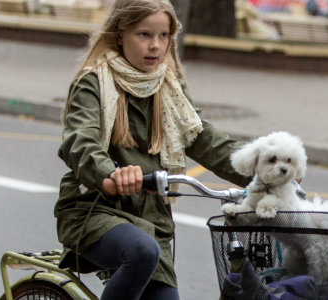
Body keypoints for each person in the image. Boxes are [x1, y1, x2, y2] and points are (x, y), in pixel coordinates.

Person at [53, 0, 252, 299]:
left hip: (151, 220)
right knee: (143, 252)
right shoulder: (93, 82)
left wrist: (264, 170)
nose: (155, 46)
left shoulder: (169, 88)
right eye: (144, 35)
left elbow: (203, 138)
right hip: (94, 210)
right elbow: (81, 141)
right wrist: (110, 175)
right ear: (120, 34)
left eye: (163, 36)